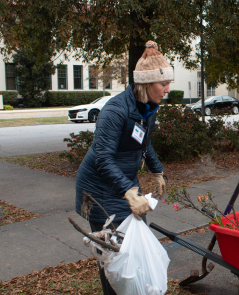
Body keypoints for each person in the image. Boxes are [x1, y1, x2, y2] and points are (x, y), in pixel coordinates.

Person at [75, 40, 171, 295]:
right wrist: (129, 192)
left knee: (135, 247)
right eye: (164, 84)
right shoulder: (115, 110)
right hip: (98, 191)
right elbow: (102, 159)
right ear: (147, 84)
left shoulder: (149, 108)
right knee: (113, 257)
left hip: (123, 183)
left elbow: (143, 142)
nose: (168, 89)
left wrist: (157, 169)